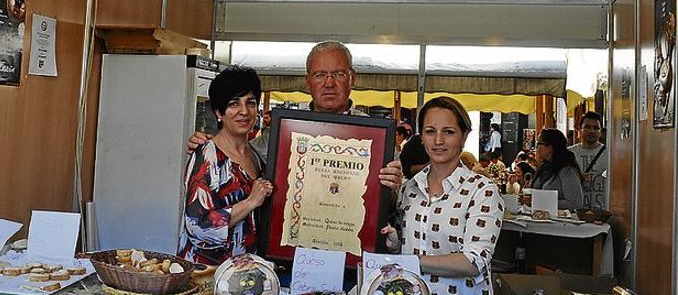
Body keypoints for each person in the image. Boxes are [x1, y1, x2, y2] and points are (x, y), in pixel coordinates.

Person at [186, 41, 403, 190]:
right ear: (307, 80)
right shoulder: (284, 129)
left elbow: (390, 201)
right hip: (290, 248)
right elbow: (241, 156)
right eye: (320, 74)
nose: (329, 83)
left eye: (338, 74)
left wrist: (394, 186)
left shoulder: (377, 136)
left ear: (352, 79)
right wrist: (211, 144)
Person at [381, 97, 503, 295]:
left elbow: (473, 261)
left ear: (464, 136)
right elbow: (408, 245)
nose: (438, 140)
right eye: (430, 131)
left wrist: (407, 261)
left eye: (448, 132)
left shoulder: (482, 191)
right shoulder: (408, 188)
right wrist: (395, 244)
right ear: (422, 138)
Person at [178, 66, 274, 265]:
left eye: (251, 103)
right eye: (234, 104)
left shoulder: (255, 155)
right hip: (207, 275)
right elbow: (198, 227)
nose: (244, 111)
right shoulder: (207, 157)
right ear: (219, 112)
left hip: (242, 274)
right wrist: (250, 202)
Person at [529, 129, 584, 210]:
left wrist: (543, 202)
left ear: (550, 147)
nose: (537, 148)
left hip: (559, 221)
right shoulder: (545, 167)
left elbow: (575, 203)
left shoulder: (567, 170)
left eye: (539, 143)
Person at [568, 111, 608, 209]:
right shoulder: (569, 154)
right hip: (576, 213)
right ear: (580, 129)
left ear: (600, 132)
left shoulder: (610, 154)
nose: (592, 131)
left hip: (602, 212)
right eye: (587, 127)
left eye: (596, 128)